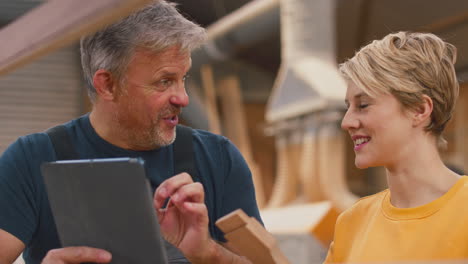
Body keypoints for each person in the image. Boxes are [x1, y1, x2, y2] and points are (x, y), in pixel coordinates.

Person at [0, 1, 261, 263]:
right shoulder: (31, 160)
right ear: (108, 85)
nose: (183, 98)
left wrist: (209, 253)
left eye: (184, 78)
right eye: (164, 81)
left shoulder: (218, 159)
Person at [324, 31, 468, 263]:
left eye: (363, 105)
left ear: (420, 110)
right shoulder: (352, 223)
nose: (347, 122)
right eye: (348, 107)